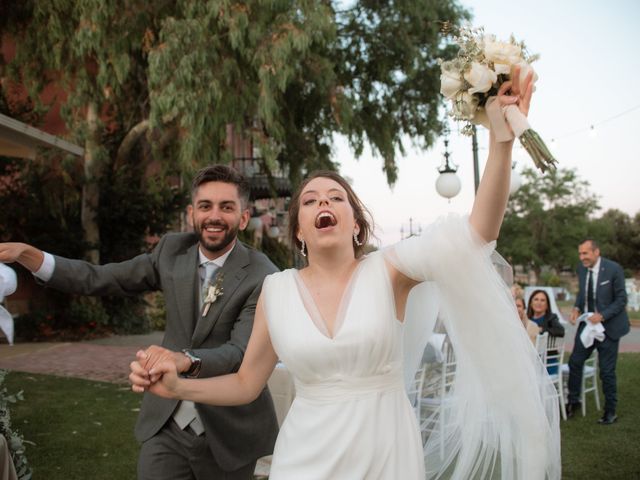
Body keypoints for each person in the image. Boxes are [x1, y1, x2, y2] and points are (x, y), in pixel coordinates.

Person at [132, 68, 561, 479]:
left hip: (385, 452)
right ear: (299, 229)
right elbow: (246, 383)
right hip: (304, 456)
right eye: (310, 200)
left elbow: (477, 234)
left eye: (336, 198)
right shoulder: (275, 290)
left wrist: (500, 143)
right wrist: (179, 388)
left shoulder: (391, 270)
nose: (324, 204)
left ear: (355, 222)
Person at [0, 165, 279, 479]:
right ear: (192, 213)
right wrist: (35, 258)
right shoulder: (172, 251)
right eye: (205, 206)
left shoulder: (263, 274)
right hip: (167, 423)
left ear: (243, 217)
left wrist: (184, 360)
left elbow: (239, 352)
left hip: (229, 431)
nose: (214, 216)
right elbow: (103, 278)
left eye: (226, 207)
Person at [567, 239, 629, 424]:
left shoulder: (614, 269)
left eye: (585, 253)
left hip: (609, 328)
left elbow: (621, 299)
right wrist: (576, 309)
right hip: (587, 325)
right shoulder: (582, 269)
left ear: (596, 252)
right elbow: (582, 294)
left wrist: (602, 315)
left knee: (607, 371)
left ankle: (610, 412)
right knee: (575, 362)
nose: (582, 257)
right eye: (580, 254)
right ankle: (573, 400)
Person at [527, 289, 565, 374]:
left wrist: (541, 330)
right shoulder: (527, 320)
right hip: (529, 362)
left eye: (542, 300)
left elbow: (561, 331)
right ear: (531, 303)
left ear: (547, 305)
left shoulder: (551, 318)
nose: (539, 302)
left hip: (547, 365)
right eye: (536, 299)